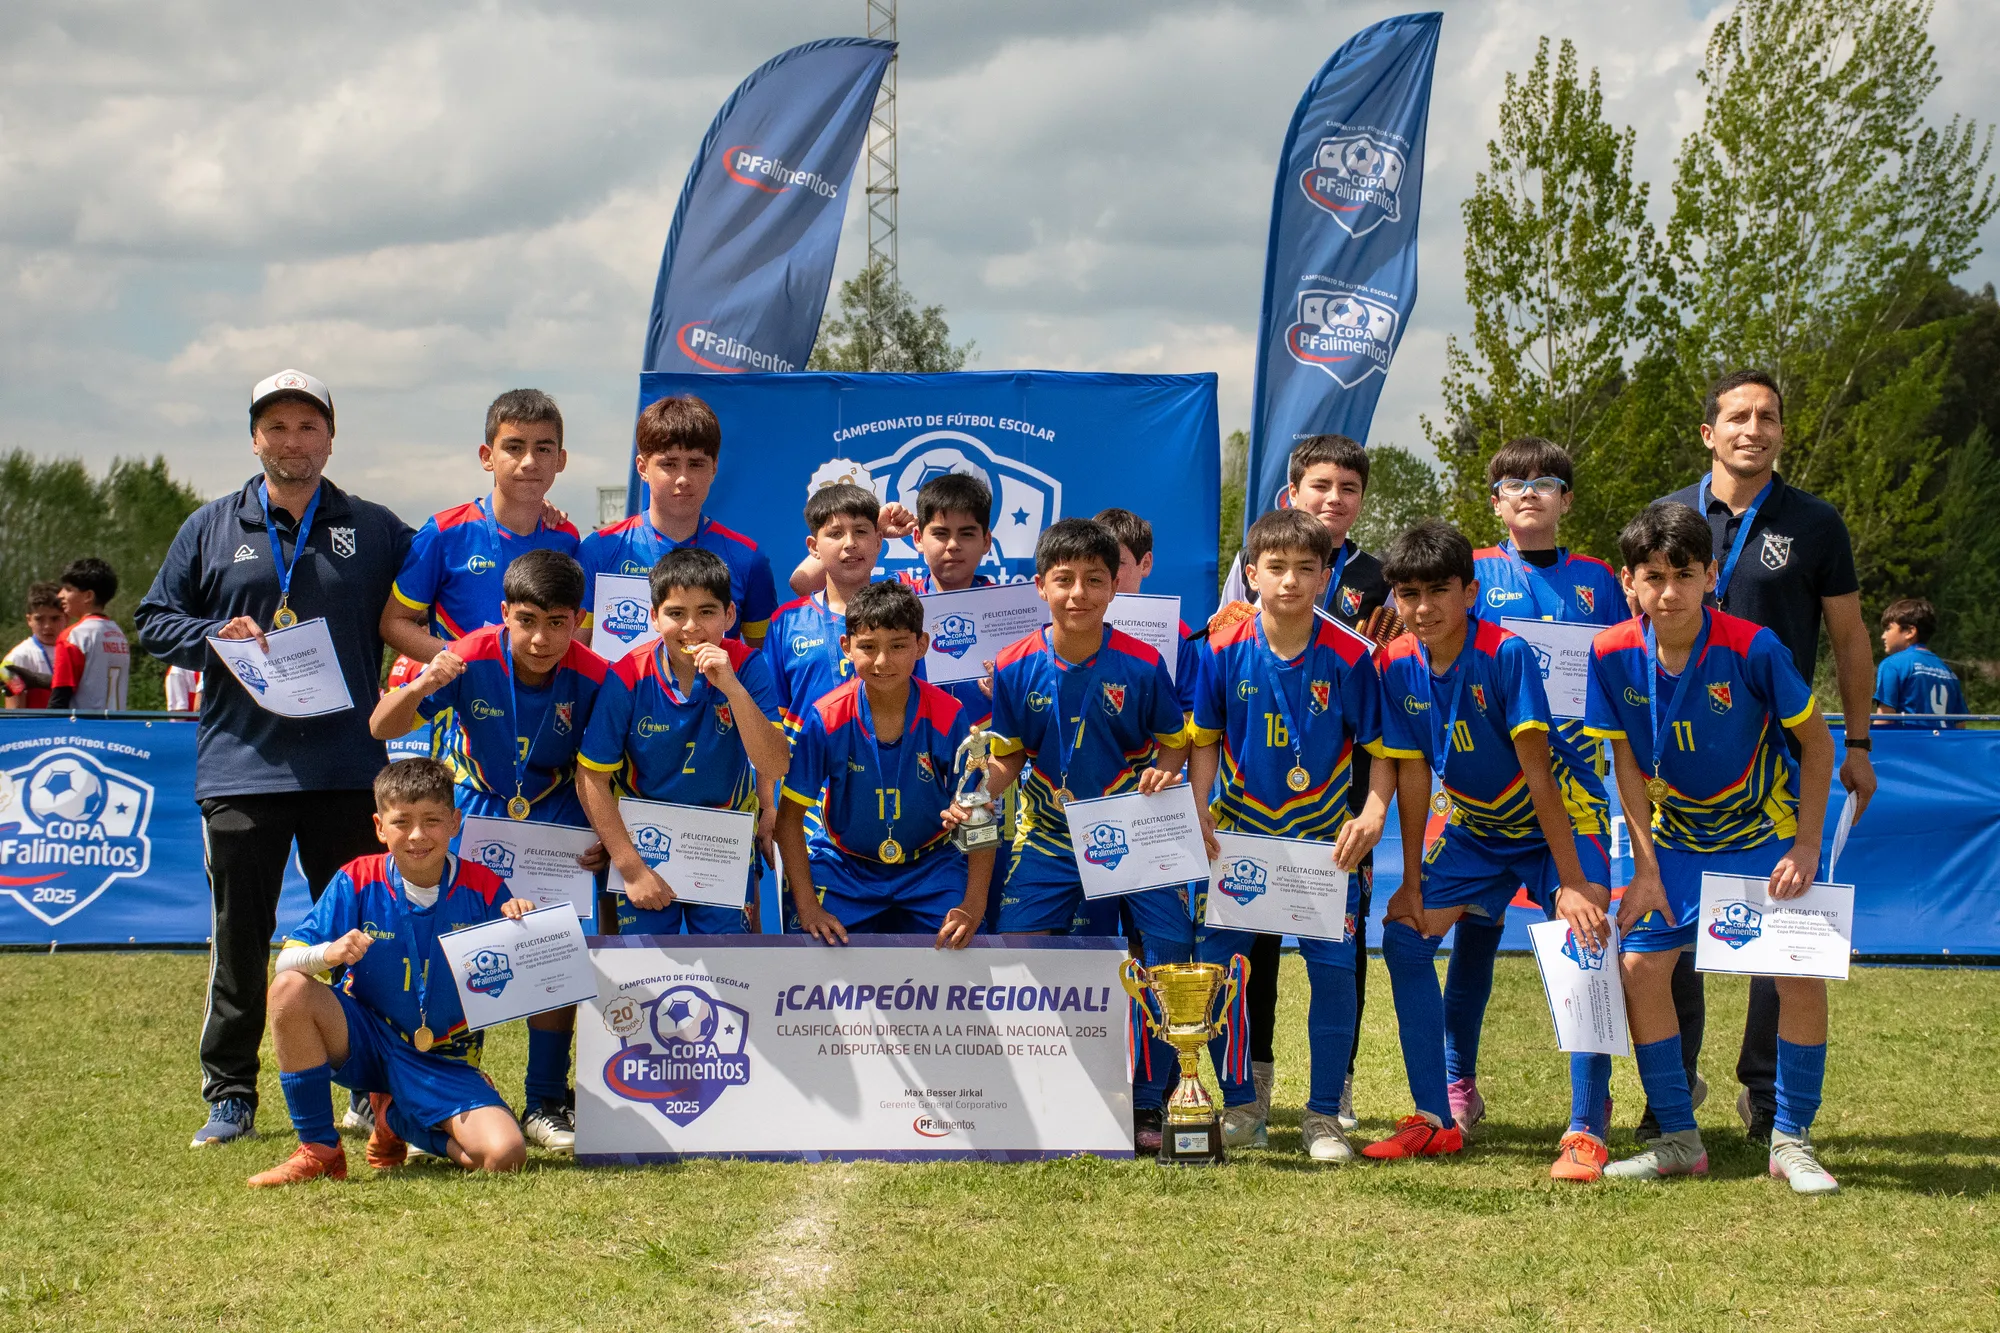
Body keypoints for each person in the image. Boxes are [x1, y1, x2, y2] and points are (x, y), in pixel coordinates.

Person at [135, 368, 414, 1148]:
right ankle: (231, 1094)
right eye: (278, 427)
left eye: (308, 426)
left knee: (364, 936)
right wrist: (212, 635)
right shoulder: (209, 526)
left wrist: (529, 519)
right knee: (240, 939)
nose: (294, 441)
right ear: (255, 438)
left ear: (330, 436)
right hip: (242, 768)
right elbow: (154, 618)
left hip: (348, 769)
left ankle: (368, 1089)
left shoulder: (375, 527)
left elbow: (449, 573)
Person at [1583, 502, 1838, 1191]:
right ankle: (1678, 1137)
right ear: (1629, 581)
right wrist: (1644, 869)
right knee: (1641, 967)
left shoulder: (1753, 647)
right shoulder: (1609, 653)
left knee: (1799, 975)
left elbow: (1818, 746)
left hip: (1762, 838)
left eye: (1685, 575)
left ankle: (1791, 1139)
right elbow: (1625, 765)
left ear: (1711, 576)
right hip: (1674, 844)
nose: (1669, 592)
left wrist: (1805, 846)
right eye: (1653, 576)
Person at [1655, 369, 1875, 1147]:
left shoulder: (1815, 522)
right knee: (1671, 925)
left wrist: (1857, 743)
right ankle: (1674, 1081)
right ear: (1708, 432)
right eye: (1738, 416)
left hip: (1779, 765)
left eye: (1768, 417)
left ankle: (1768, 1092)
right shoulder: (1669, 515)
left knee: (1783, 923)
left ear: (1781, 431)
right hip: (1677, 762)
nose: (1754, 429)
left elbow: (1850, 636)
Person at [1369, 519, 1612, 1161]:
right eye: (1409, 594)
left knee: (1585, 938)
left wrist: (1573, 884)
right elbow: (1413, 774)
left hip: (1559, 822)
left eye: (1439, 591)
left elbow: (1539, 773)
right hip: (1478, 828)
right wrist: (1412, 883)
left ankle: (1587, 1127)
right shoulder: (1394, 663)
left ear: (1470, 592)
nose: (1424, 607)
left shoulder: (1507, 654)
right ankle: (1437, 1114)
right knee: (1405, 936)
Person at [368, 550, 609, 1149]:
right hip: (477, 813)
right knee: (441, 943)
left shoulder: (598, 676)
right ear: (504, 613)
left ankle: (545, 1100)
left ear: (578, 620)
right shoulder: (470, 654)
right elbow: (382, 727)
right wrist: (423, 682)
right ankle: (411, 1090)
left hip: (556, 820)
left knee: (556, 950)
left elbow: (614, 767)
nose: (541, 638)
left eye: (557, 623)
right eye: (526, 620)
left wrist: (611, 838)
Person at [1188, 509, 1393, 1162]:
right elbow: (1204, 739)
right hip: (1240, 839)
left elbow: (1381, 748)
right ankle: (1243, 1106)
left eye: (1306, 568)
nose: (1290, 581)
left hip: (1323, 846)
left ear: (1326, 576)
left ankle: (1324, 1116)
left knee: (1334, 977)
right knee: (1224, 974)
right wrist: (1198, 806)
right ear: (1251, 574)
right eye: (1276, 568)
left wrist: (1374, 813)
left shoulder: (1352, 655)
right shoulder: (1222, 648)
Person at [984, 518, 1193, 1151]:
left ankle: (1150, 1101)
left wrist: (1165, 770)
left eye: (1094, 580)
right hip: (1050, 833)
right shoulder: (1013, 664)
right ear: (1040, 585)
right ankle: (1036, 1090)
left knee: (1169, 950)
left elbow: (1175, 742)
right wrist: (977, 788)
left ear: (1112, 588)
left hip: (1131, 827)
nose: (1078, 594)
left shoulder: (1143, 662)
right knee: (1016, 950)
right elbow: (1007, 757)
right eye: (1064, 580)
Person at [1443, 438, 1632, 1135]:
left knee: (1587, 937)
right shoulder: (1470, 572)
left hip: (1573, 794)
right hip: (1487, 798)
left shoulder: (1598, 581)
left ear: (1566, 500)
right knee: (1473, 936)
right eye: (1514, 484)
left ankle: (1590, 1109)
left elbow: (1629, 665)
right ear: (1495, 502)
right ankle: (1456, 1082)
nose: (1530, 492)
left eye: (1546, 481)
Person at [246, 758, 532, 1186]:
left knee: (504, 1156)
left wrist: (522, 926)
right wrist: (328, 953)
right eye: (402, 822)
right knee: (290, 988)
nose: (417, 835)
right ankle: (319, 1149)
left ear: (455, 822)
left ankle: (396, 1119)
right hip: (366, 1039)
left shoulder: (485, 886)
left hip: (444, 1056)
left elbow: (518, 979)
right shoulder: (356, 878)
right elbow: (285, 961)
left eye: (432, 820)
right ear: (380, 827)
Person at [577, 548, 789, 934]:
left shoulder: (746, 666)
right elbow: (591, 778)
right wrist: (630, 867)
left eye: (706, 612)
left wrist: (733, 689)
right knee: (642, 966)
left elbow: (774, 764)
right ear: (654, 618)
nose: (691, 627)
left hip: (720, 840)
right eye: (676, 613)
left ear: (730, 615)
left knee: (733, 964)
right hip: (646, 844)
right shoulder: (627, 675)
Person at [778, 581, 991, 946]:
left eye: (898, 646)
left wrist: (972, 905)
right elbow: (788, 821)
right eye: (868, 646)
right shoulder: (825, 717)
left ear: (921, 645)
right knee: (815, 951)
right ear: (846, 647)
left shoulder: (948, 715)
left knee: (961, 946)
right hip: (845, 868)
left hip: (931, 866)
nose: (881, 661)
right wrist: (809, 908)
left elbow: (979, 813)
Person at [381, 389, 579, 658]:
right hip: (461, 684)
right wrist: (459, 660)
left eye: (543, 449)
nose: (529, 462)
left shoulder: (566, 538)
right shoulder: (445, 533)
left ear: (560, 460)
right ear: (487, 457)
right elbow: (394, 623)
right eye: (514, 447)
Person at [579, 395, 778, 648]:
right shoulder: (598, 550)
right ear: (642, 468)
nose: (683, 478)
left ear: (714, 468)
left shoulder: (747, 559)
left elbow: (763, 661)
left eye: (696, 464)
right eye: (669, 464)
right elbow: (574, 655)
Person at [48, 557, 130, 710]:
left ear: (88, 596)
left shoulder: (73, 636)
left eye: (68, 589)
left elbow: (60, 695)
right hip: (116, 723)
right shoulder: (118, 634)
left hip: (84, 724)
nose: (60, 595)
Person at [1874, 597, 1965, 727]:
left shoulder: (1892, 665)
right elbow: (1960, 724)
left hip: (1909, 739)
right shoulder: (1948, 671)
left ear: (1910, 632)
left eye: (1888, 629)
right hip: (1944, 740)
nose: (1883, 636)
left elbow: (1885, 719)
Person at [3, 582, 64, 710]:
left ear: (66, 618)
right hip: (38, 723)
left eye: (55, 619)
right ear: (29, 620)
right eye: (39, 619)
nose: (47, 626)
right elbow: (15, 712)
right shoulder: (16, 658)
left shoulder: (75, 650)